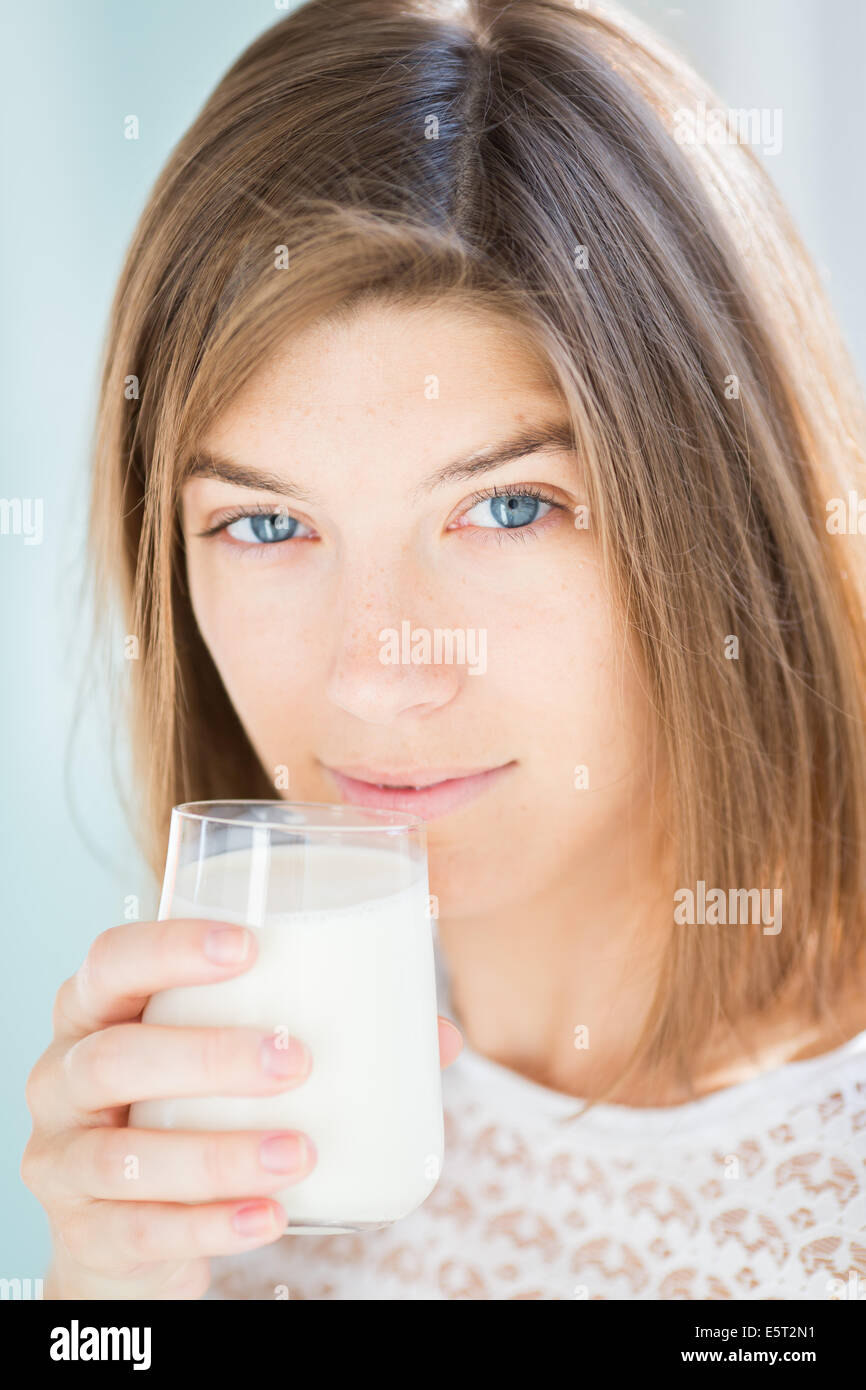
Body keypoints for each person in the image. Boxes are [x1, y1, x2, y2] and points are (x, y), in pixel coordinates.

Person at [23, 0, 866, 1300]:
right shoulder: (231, 1134)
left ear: (728, 514)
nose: (372, 669)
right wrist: (106, 1300)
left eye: (509, 507)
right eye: (263, 522)